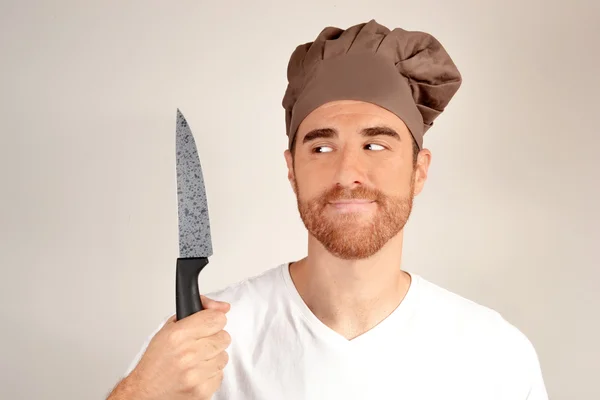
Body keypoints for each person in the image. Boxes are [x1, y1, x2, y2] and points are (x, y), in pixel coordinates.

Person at [106, 20, 548, 400]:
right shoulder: (198, 346)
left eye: (375, 144)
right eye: (321, 146)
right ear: (292, 169)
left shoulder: (494, 355)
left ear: (419, 171)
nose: (348, 172)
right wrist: (141, 392)